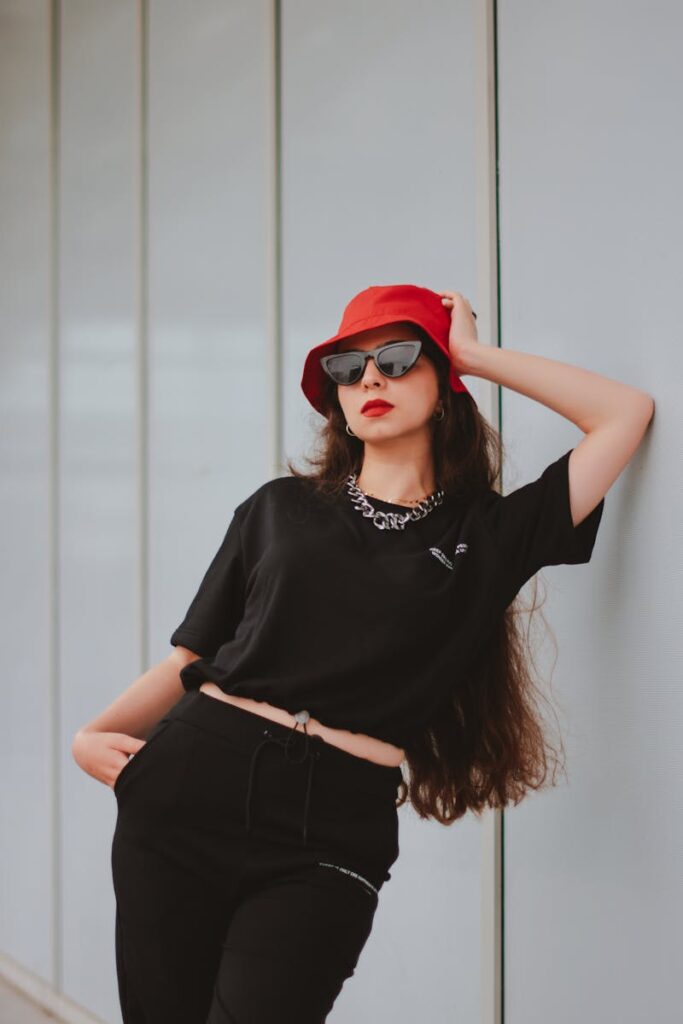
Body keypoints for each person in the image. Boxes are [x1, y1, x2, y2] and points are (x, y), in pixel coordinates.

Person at [72, 283, 654, 1023]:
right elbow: (192, 656)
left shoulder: (488, 534)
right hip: (188, 786)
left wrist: (473, 355)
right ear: (337, 401)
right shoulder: (278, 508)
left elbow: (622, 413)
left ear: (444, 387)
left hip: (331, 827)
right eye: (347, 369)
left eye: (398, 358)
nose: (370, 379)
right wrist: (93, 734)